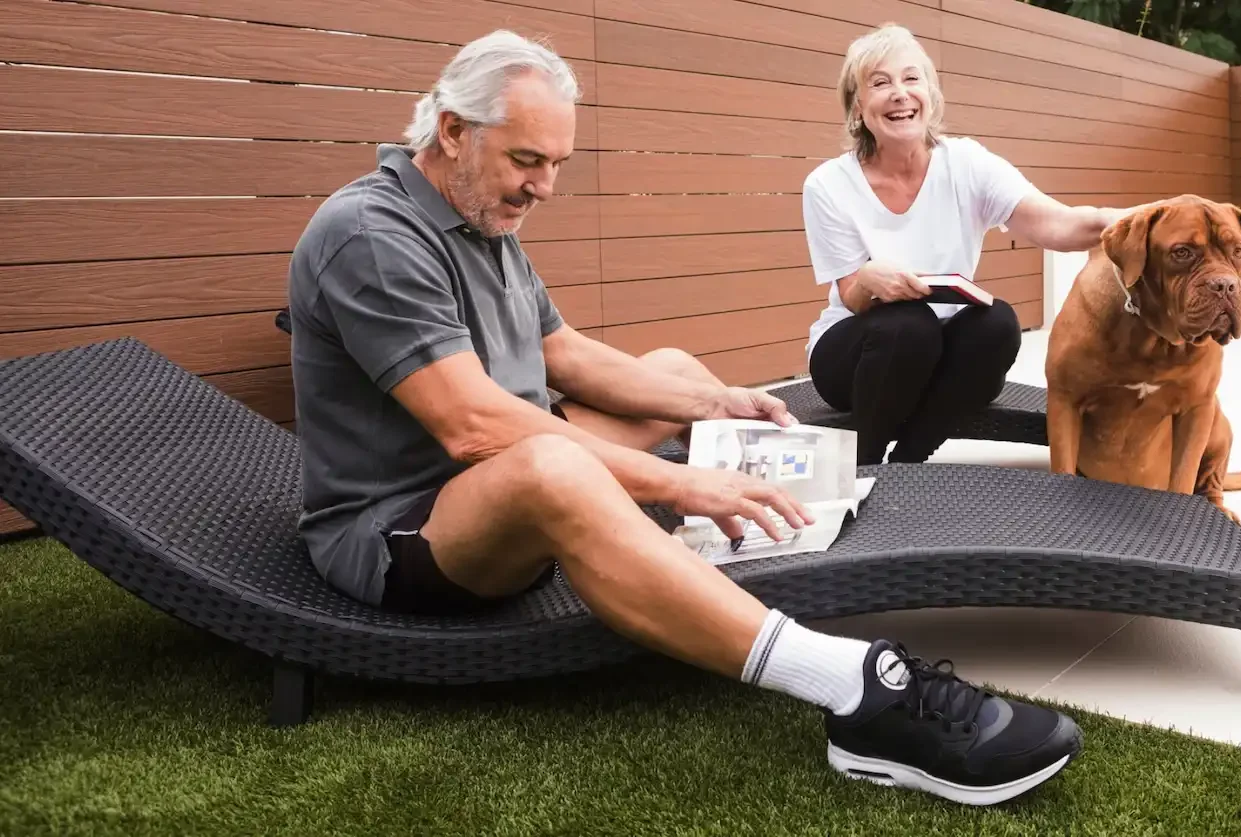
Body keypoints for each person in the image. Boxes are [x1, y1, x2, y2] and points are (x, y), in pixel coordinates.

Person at [286, 29, 1081, 806]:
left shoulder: (482, 221)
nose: (544, 187)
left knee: (670, 369)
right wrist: (680, 479)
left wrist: (716, 401)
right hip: (406, 531)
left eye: (556, 164)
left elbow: (561, 353)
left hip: (493, 478)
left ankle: (720, 542)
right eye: (527, 161)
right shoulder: (374, 234)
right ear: (453, 132)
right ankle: (852, 689)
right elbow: (474, 427)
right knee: (552, 467)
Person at [802, 23, 1146, 466]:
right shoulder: (828, 185)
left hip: (938, 350)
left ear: (931, 94)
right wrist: (869, 278)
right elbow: (851, 296)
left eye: (911, 79)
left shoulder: (966, 163)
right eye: (880, 83)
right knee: (909, 324)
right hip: (855, 356)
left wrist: (1144, 220)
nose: (900, 93)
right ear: (857, 107)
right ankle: (865, 466)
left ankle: (909, 460)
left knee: (998, 323)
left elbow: (1057, 224)